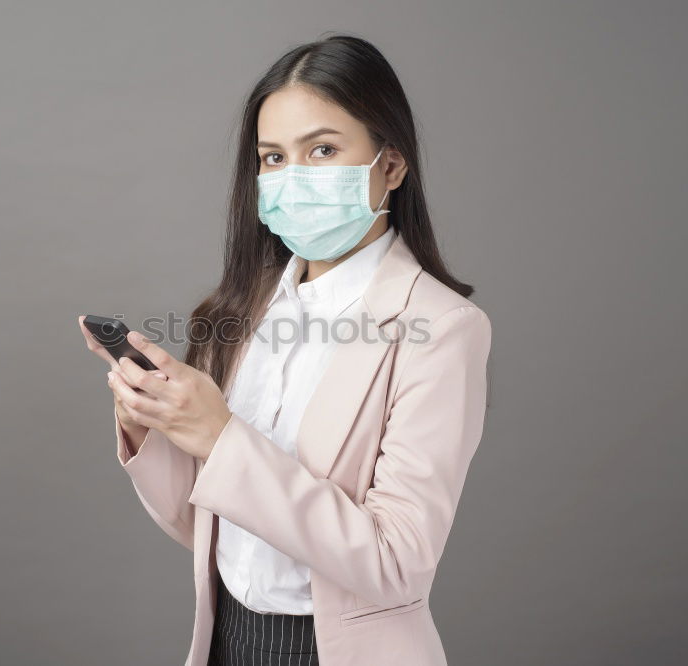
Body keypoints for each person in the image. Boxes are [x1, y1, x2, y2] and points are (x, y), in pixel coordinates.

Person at [79, 33, 492, 666]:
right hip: (225, 642)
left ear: (391, 164)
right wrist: (155, 428)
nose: (292, 176)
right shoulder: (238, 312)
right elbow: (208, 529)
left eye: (322, 149)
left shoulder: (441, 327)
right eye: (272, 157)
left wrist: (220, 438)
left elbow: (397, 562)